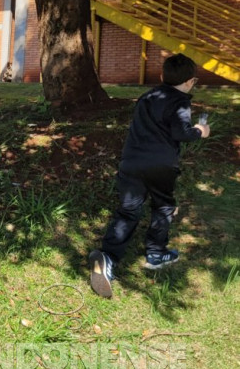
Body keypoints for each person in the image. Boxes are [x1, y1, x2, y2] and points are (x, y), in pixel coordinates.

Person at [89, 53, 210, 298]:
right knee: (164, 206)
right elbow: (181, 132)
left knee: (128, 210)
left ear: (162, 76)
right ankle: (156, 253)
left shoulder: (147, 96)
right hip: (161, 165)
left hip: (131, 162)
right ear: (190, 82)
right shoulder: (180, 101)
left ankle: (109, 258)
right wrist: (199, 131)